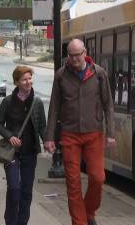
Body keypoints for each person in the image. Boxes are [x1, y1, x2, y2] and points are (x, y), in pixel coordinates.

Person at [45, 39, 115, 225]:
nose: (74, 59)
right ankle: (79, 222)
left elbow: (108, 105)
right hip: (69, 135)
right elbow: (54, 108)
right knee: (73, 182)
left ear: (85, 52)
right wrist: (49, 137)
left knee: (98, 177)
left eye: (78, 54)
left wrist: (111, 133)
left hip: (94, 133)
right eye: (71, 55)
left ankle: (89, 211)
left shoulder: (99, 74)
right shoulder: (61, 75)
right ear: (68, 55)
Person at [0, 65, 47, 225]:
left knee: (26, 191)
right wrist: (9, 136)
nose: (28, 82)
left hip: (30, 153)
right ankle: (10, 221)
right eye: (24, 79)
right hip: (12, 153)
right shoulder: (8, 101)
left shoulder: (37, 102)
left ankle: (22, 222)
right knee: (14, 188)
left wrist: (48, 142)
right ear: (16, 82)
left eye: (30, 78)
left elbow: (42, 126)